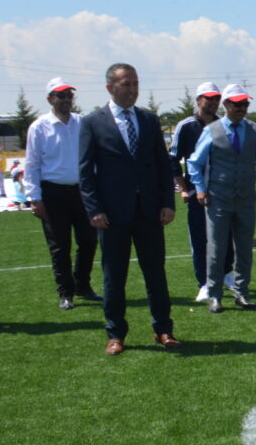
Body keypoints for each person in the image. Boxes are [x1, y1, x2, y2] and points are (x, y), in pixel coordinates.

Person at [79, 63, 179, 355]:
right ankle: (115, 334)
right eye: (126, 84)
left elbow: (163, 165)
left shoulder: (148, 120)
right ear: (110, 87)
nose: (133, 90)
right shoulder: (92, 123)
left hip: (149, 212)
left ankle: (164, 330)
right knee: (114, 276)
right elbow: (85, 172)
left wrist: (167, 202)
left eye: (135, 83)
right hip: (111, 215)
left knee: (155, 274)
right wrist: (93, 209)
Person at [186, 84, 256, 314]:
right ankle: (215, 295)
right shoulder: (212, 130)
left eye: (245, 104)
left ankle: (242, 293)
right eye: (238, 104)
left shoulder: (255, 130)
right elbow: (194, 162)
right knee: (216, 249)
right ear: (226, 104)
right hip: (218, 198)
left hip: (246, 197)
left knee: (244, 248)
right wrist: (199, 188)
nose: (242, 108)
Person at [24, 77, 102, 310]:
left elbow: (94, 157)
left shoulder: (83, 122)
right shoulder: (39, 127)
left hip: (82, 191)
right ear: (50, 99)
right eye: (61, 95)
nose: (67, 99)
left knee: (88, 241)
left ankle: (82, 285)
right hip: (52, 192)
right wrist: (34, 197)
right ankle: (65, 292)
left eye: (69, 95)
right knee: (60, 246)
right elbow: (32, 164)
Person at [170, 82, 236, 303]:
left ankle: (227, 273)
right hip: (197, 191)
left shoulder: (222, 124)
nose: (213, 102)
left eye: (216, 98)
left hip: (221, 190)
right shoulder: (186, 126)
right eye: (208, 98)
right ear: (198, 100)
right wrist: (184, 188)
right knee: (200, 239)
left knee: (226, 235)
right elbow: (173, 159)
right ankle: (204, 283)